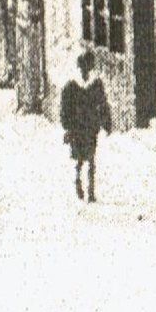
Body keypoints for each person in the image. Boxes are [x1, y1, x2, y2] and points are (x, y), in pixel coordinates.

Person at [59, 50, 111, 201]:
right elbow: (65, 107)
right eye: (84, 67)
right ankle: (78, 181)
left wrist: (106, 122)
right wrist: (67, 125)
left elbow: (103, 103)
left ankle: (91, 190)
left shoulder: (96, 84)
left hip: (90, 126)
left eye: (88, 67)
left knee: (91, 157)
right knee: (80, 158)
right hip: (77, 127)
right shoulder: (71, 86)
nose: (86, 70)